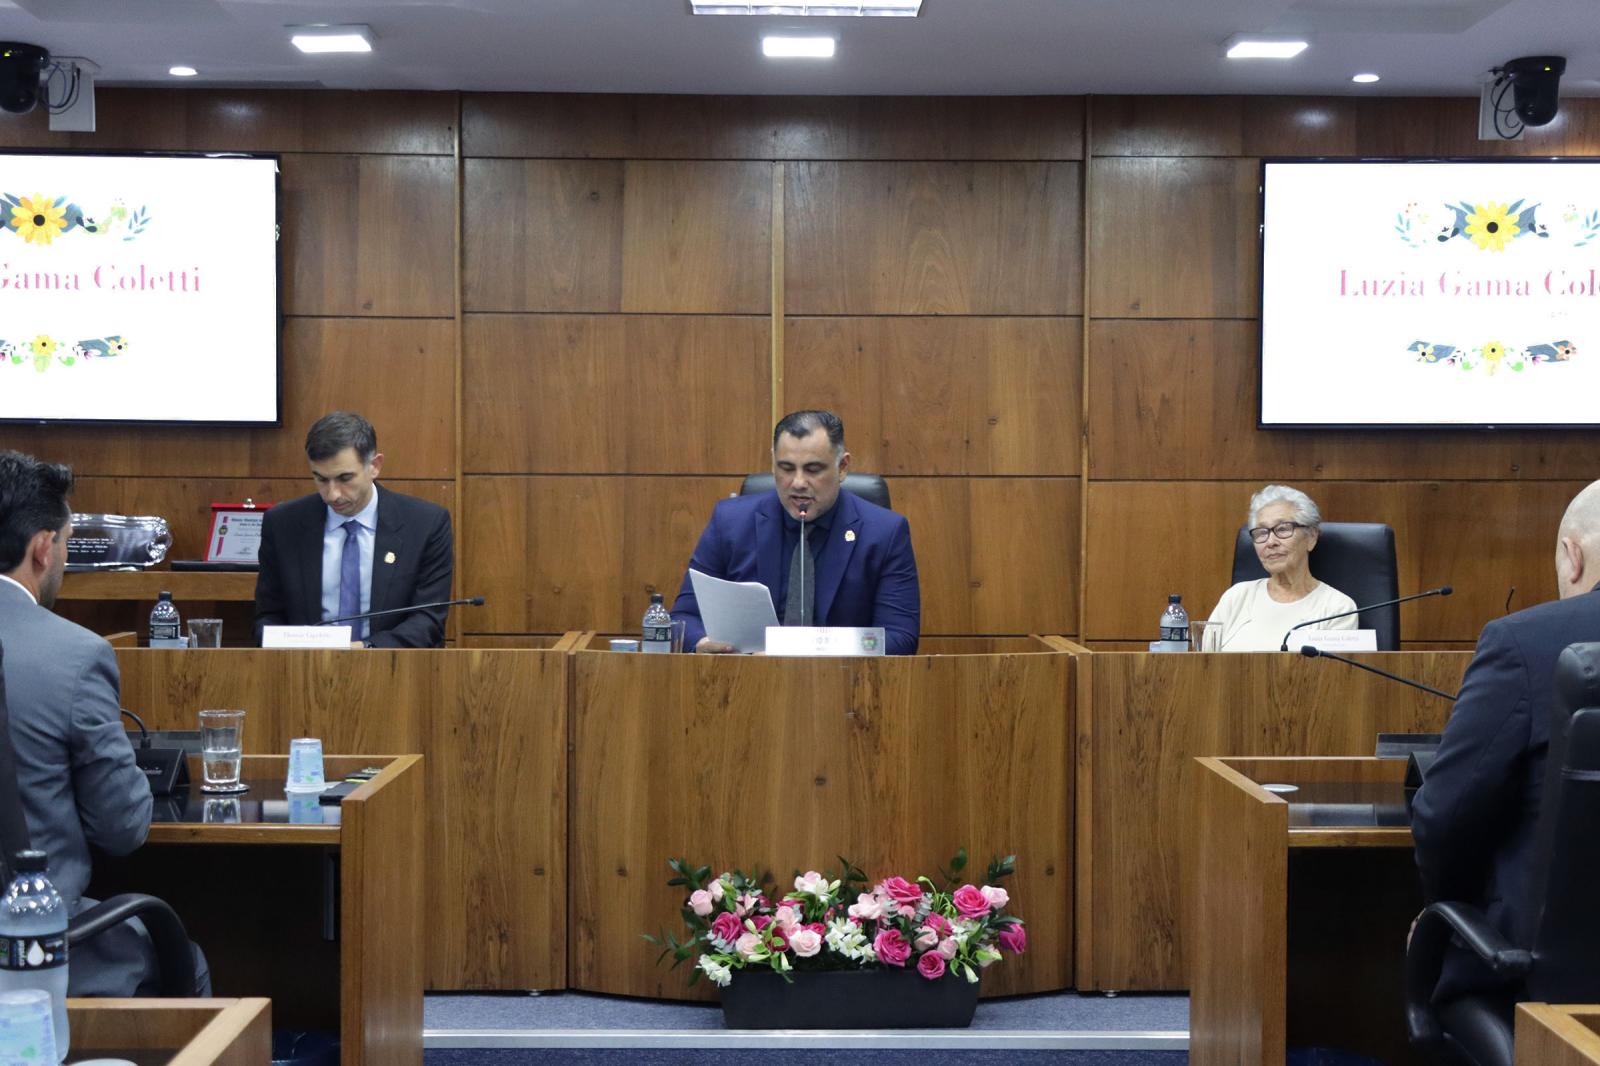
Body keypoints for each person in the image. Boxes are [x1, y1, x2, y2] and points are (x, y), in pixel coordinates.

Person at [0, 449, 207, 996]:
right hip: (36, 941)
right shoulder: (73, 655)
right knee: (183, 956)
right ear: (43, 547)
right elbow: (123, 827)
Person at [1411, 479, 1600, 1005]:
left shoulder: (1523, 640)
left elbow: (1446, 816)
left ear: (1573, 555)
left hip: (1548, 984)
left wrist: (1445, 917)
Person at [671, 410, 920, 655]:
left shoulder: (884, 533)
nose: (798, 483)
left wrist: (804, 649)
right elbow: (684, 618)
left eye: (813, 469)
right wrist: (703, 643)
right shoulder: (730, 523)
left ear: (842, 467)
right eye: (787, 468)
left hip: (844, 685)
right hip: (744, 682)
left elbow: (900, 638)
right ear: (773, 463)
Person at [254, 411, 454, 647]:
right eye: (320, 479)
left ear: (375, 466)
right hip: (303, 671)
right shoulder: (283, 524)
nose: (332, 494)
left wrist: (365, 651)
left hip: (394, 671)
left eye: (344, 478)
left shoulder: (425, 524)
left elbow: (427, 620)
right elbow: (268, 615)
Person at [1202, 484, 1359, 651]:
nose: (1270, 542)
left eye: (1283, 529)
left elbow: (1334, 675)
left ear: (1311, 537)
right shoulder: (1236, 597)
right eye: (1262, 533)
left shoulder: (1337, 608)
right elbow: (1203, 666)